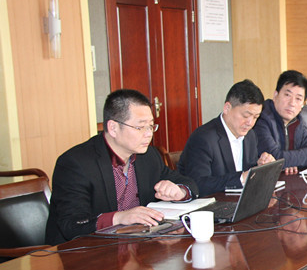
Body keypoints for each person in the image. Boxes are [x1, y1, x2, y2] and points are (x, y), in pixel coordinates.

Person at [46, 89, 198, 244]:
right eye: (140, 127)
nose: (148, 134)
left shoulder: (148, 156)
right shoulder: (75, 163)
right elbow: (71, 225)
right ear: (113, 128)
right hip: (86, 250)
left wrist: (180, 191)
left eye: (151, 126)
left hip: (139, 246)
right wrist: (119, 218)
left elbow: (189, 183)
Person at [178, 79, 274, 197]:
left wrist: (260, 168)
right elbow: (198, 184)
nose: (250, 123)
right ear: (227, 108)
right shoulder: (203, 138)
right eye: (246, 115)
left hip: (240, 201)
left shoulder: (250, 136)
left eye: (255, 117)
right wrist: (240, 179)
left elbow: (246, 171)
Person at [253, 70, 307, 172]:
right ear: (275, 95)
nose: (292, 103)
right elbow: (274, 158)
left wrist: (292, 161)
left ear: (302, 104)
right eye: (287, 95)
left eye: (298, 99)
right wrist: (299, 158)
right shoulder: (261, 118)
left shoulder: (298, 121)